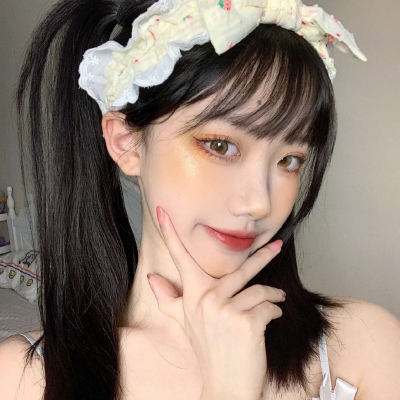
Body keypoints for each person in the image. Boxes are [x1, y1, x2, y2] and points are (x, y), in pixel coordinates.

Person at [0, 0, 399, 399]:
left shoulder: (364, 345)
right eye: (220, 145)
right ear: (126, 142)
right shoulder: (22, 378)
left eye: (289, 160)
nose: (259, 203)